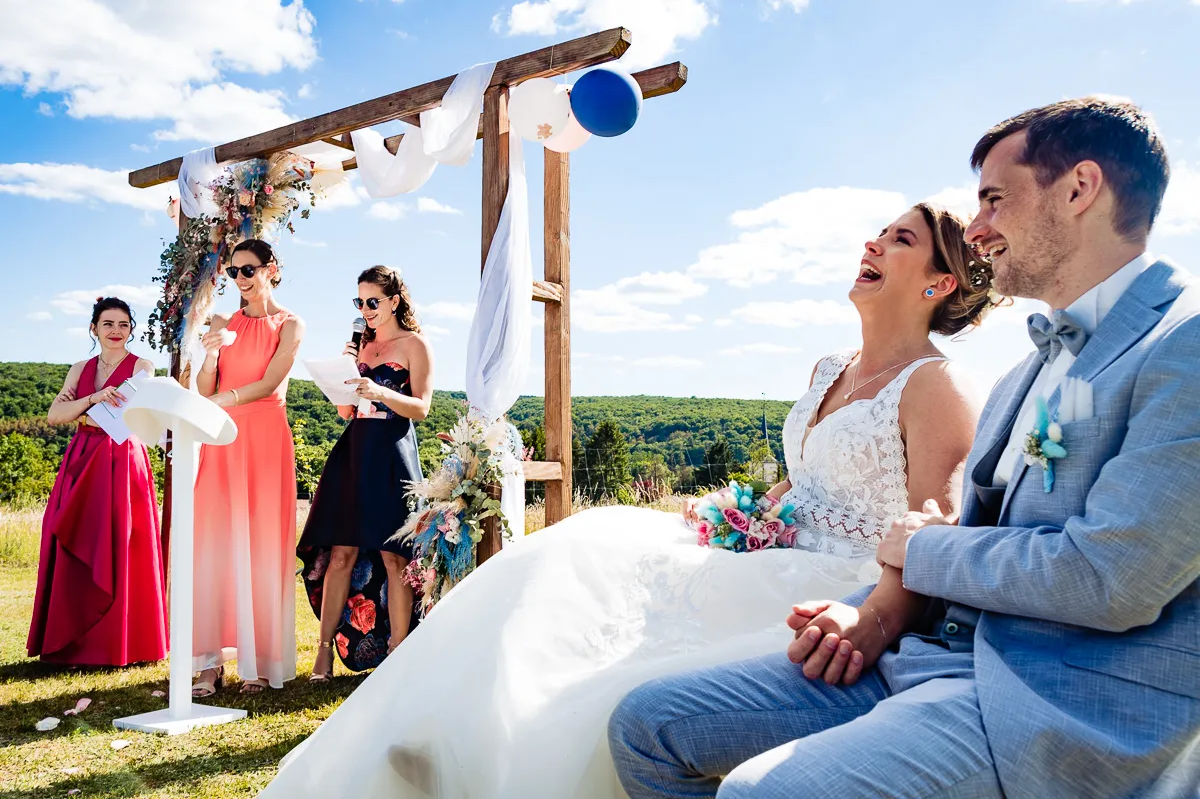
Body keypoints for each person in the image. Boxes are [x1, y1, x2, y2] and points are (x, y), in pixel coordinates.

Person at [256, 202, 999, 798]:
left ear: (939, 283)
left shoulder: (938, 385)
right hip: (772, 548)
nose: (872, 243)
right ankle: (456, 742)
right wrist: (736, 508)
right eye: (877, 231)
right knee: (578, 549)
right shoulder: (829, 365)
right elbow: (802, 482)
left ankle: (503, 760)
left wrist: (871, 622)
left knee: (631, 668)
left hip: (839, 587)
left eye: (899, 240)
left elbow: (934, 529)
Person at [609, 97, 1200, 799]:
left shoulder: (1182, 345)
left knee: (760, 793)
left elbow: (1112, 579)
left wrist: (920, 548)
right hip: (933, 653)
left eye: (993, 201)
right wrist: (873, 614)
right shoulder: (1029, 370)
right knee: (647, 727)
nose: (977, 230)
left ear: (1079, 189)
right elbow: (975, 533)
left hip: (1051, 703)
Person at [297, 266, 432, 679]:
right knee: (341, 555)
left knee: (395, 557)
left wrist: (381, 391)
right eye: (359, 303)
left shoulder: (414, 345)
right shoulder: (360, 346)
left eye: (372, 302)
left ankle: (399, 652)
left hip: (392, 453)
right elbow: (345, 411)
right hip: (354, 453)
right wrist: (344, 377)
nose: (366, 310)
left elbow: (422, 408)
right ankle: (323, 654)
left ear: (394, 301)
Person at [190, 239, 304, 696]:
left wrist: (225, 400)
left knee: (261, 545)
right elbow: (204, 387)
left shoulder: (290, 324)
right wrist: (211, 354)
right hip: (222, 438)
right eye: (234, 272)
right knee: (213, 542)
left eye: (249, 270)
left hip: (264, 438)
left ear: (271, 269)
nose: (240, 279)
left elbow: (271, 382)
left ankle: (258, 662)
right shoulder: (222, 320)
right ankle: (208, 663)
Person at [26, 297, 167, 667]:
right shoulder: (80, 368)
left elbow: (127, 415)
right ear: (94, 329)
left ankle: (125, 643)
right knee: (67, 535)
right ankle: (72, 643)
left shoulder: (143, 367)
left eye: (123, 324)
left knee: (123, 543)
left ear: (131, 330)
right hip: (82, 457)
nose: (116, 331)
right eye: (108, 324)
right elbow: (56, 414)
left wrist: (87, 409)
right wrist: (93, 397)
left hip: (122, 458)